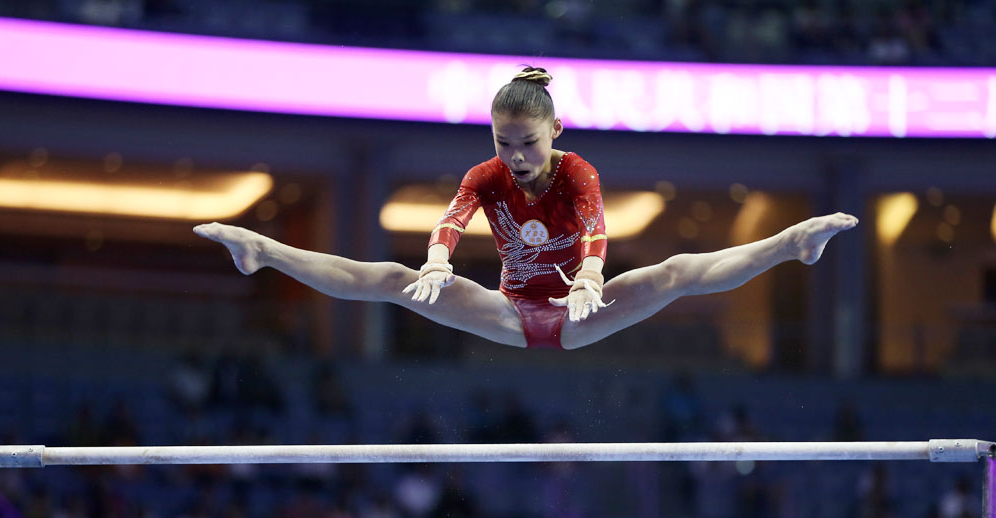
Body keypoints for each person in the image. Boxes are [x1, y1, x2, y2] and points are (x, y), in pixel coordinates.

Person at [195, 66, 858, 351]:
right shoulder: (485, 176)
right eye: (503, 142)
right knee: (396, 283)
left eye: (528, 143)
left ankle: (789, 244)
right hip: (509, 313)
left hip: (583, 309)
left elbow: (596, 228)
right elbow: (450, 220)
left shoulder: (578, 174)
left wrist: (593, 278)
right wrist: (433, 260)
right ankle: (264, 251)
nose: (514, 156)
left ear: (556, 131)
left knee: (675, 271)